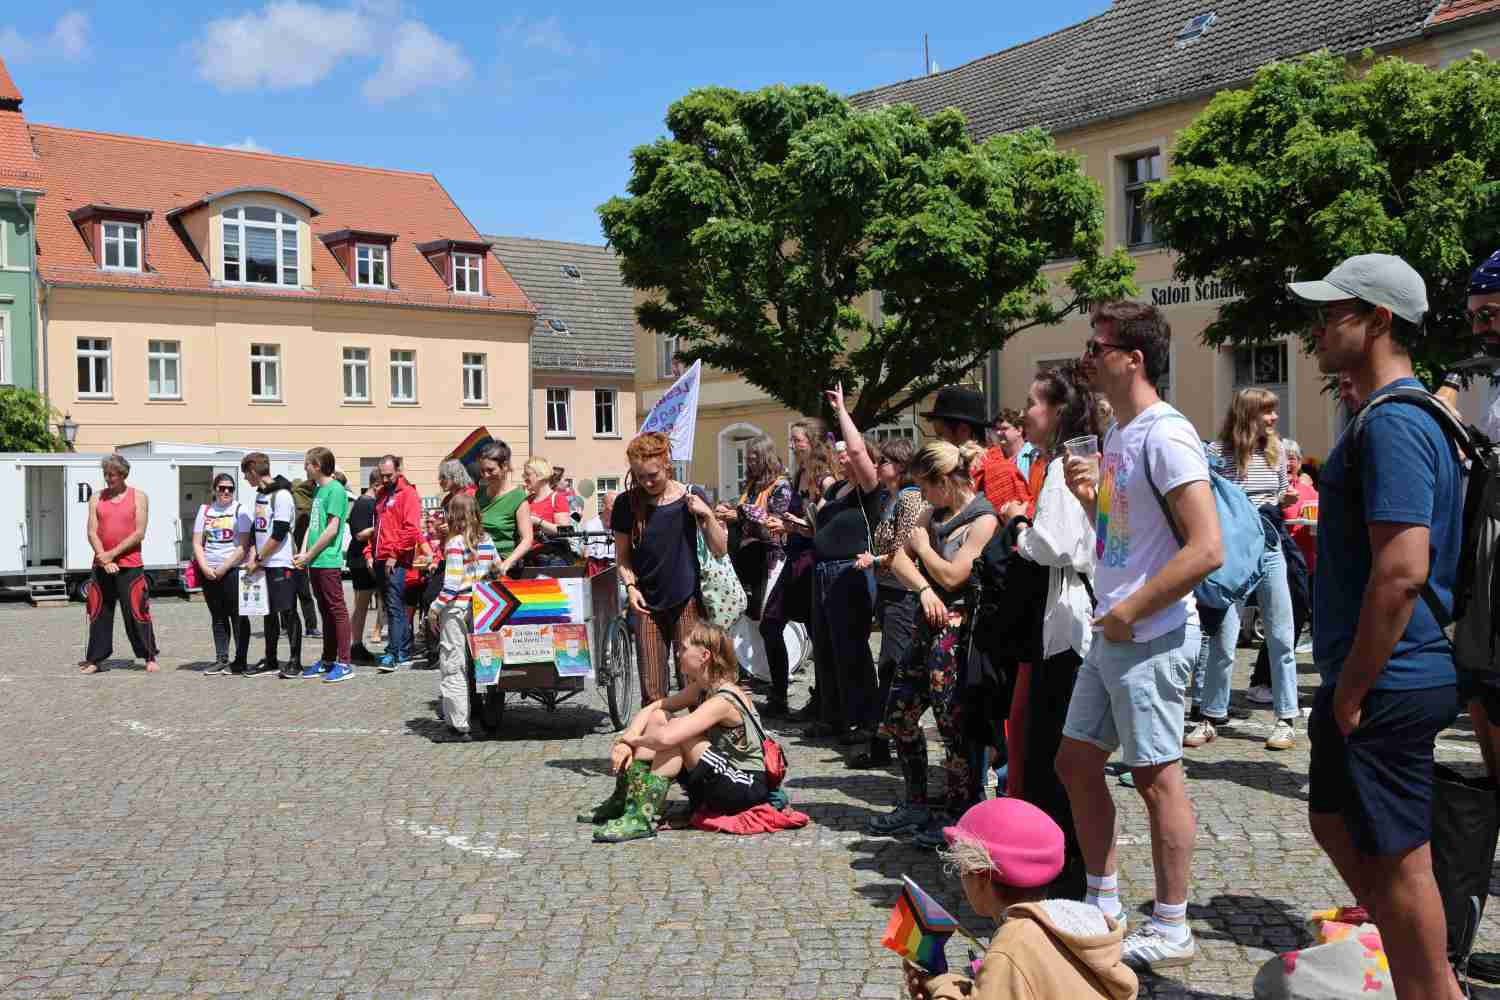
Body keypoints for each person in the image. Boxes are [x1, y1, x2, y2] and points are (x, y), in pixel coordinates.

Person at [1290, 254, 1465, 1000]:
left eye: (1335, 311)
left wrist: (1354, 687)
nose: (1321, 325)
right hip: (1373, 674)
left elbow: (1403, 571)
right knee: (1332, 817)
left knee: (1404, 863)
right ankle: (1415, 968)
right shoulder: (1396, 416)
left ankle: (1435, 991)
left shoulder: (1395, 422)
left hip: (1388, 676)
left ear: (1380, 320)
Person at [1057, 300, 1221, 970]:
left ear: (1135, 358)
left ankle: (1174, 924)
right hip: (1115, 625)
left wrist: (1133, 610)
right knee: (1074, 762)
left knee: (1157, 777)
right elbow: (1125, 538)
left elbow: (1206, 548)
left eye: (1099, 346)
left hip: (1148, 630)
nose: (1089, 356)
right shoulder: (1120, 434)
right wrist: (1090, 495)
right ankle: (1103, 902)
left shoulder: (1165, 434)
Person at [999, 361, 1100, 892]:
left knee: (1050, 758)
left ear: (1058, 410)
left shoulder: (1065, 467)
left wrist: (1019, 526)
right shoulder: (1066, 463)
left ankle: (1061, 878)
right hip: (1062, 620)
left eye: (1034, 403)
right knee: (1047, 754)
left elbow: (1056, 545)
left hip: (1064, 626)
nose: (1026, 412)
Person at [875, 438, 998, 848]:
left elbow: (954, 576)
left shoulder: (983, 519)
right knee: (901, 713)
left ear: (945, 480)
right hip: (926, 627)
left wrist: (925, 551)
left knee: (953, 725)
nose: (922, 496)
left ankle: (960, 814)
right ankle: (915, 802)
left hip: (960, 635)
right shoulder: (934, 512)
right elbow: (897, 559)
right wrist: (925, 589)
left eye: (927, 486)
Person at [905, 798, 1137, 1000]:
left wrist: (942, 988)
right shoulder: (1079, 922)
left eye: (961, 869)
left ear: (981, 876)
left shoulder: (1012, 947)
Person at [1185, 389, 1302, 751]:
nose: (1273, 419)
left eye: (1274, 412)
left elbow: (1281, 492)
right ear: (1248, 414)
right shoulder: (1216, 455)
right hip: (1233, 553)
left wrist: (1284, 500)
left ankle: (1285, 719)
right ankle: (1210, 716)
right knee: (1224, 638)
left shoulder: (1277, 451)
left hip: (1269, 547)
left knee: (1281, 634)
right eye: (1267, 412)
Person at [582, 622, 769, 842]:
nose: (678, 653)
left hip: (744, 786)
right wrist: (625, 742)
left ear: (704, 655)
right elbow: (654, 708)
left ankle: (640, 816)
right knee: (659, 717)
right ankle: (625, 801)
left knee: (677, 737)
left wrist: (632, 740)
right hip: (721, 777)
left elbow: (667, 738)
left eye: (683, 648)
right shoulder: (703, 687)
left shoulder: (723, 699)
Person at [613, 431, 728, 705]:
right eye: (640, 477)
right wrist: (630, 587)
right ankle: (658, 744)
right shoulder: (626, 504)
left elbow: (720, 548)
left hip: (686, 599)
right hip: (646, 603)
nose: (647, 482)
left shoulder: (690, 497)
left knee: (693, 681)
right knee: (652, 688)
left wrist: (707, 514)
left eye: (653, 474)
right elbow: (622, 557)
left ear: (667, 463)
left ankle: (698, 743)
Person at [808, 386, 885, 743]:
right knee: (823, 648)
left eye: (848, 454)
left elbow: (855, 447)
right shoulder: (834, 491)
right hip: (822, 573)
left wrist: (841, 411)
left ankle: (863, 719)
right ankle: (833, 715)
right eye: (838, 454)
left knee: (850, 649)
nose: (842, 457)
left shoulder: (868, 490)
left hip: (849, 573)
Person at [852, 435, 927, 769]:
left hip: (902, 592)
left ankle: (885, 742)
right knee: (891, 667)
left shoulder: (909, 500)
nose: (878, 465)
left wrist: (875, 560)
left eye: (883, 461)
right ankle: (884, 739)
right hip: (890, 591)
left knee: (893, 667)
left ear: (899, 466)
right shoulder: (891, 498)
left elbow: (906, 550)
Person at [716, 434, 793, 713]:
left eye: (753, 456)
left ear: (765, 457)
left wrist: (740, 514)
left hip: (771, 560)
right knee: (751, 622)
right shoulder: (751, 484)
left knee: (770, 625)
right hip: (748, 560)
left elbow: (775, 524)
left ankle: (779, 691)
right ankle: (757, 676)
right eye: (747, 456)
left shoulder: (780, 486)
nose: (748, 460)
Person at [1247, 438, 1318, 704]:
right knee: (1281, 625)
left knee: (1296, 624)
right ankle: (1261, 682)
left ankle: (1279, 683)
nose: (1289, 462)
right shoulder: (1272, 492)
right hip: (1281, 566)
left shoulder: (1309, 492)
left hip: (1307, 567)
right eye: (1284, 456)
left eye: (1294, 458)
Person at [425, 492, 497, 742]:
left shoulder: (455, 544)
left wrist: (434, 609)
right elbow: (497, 568)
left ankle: (459, 723)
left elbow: (452, 585)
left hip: (457, 609)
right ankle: (489, 716)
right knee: (484, 663)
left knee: (453, 664)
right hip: (483, 608)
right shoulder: (488, 540)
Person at [81, 453, 160, 674]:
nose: (108, 478)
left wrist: (112, 554)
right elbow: (91, 531)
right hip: (102, 565)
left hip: (130, 564)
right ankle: (96, 659)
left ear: (123, 475)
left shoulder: (139, 497)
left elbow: (139, 533)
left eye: (112, 475)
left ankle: (148, 655)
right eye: (105, 474)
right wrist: (103, 558)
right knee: (99, 612)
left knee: (137, 611)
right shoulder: (96, 498)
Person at [781, 418, 835, 719]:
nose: (792, 444)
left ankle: (826, 699)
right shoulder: (798, 473)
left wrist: (797, 525)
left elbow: (822, 525)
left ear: (812, 443)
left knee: (819, 631)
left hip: (813, 556)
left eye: (797, 439)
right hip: (796, 552)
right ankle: (821, 697)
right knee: (811, 629)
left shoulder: (824, 478)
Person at [239, 453, 302, 678]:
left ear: (254, 471)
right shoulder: (260, 495)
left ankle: (295, 661)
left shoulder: (282, 495)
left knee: (288, 612)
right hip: (264, 563)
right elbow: (259, 530)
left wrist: (258, 559)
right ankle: (271, 658)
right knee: (267, 613)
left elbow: (279, 532)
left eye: (246, 474)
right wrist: (254, 555)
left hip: (280, 562)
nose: (246, 479)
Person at [293, 447, 352, 682]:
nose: (305, 468)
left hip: (327, 559)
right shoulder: (318, 490)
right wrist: (303, 552)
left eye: (308, 464)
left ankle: (344, 662)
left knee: (337, 610)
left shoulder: (336, 490)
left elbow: (332, 529)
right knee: (325, 611)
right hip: (315, 560)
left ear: (317, 466)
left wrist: (310, 554)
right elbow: (312, 525)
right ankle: (327, 659)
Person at [923, 385, 1031, 512]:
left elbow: (1019, 528)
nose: (938, 442)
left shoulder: (999, 474)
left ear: (963, 430)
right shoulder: (957, 472)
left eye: (941, 434)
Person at [193, 472, 252, 675]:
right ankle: (221, 658)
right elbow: (197, 543)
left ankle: (240, 659)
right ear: (214, 490)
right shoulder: (205, 510)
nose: (226, 491)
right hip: (209, 571)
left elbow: (244, 545)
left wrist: (224, 567)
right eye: (221, 488)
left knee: (238, 616)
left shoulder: (240, 510)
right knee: (217, 616)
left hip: (232, 570)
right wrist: (206, 568)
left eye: (230, 488)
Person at [371, 454, 422, 672]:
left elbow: (411, 530)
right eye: (382, 476)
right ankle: (398, 650)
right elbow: (377, 529)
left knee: (394, 606)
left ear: (399, 470)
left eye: (389, 475)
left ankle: (395, 651)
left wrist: (395, 554)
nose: (384, 480)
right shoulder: (383, 494)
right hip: (381, 557)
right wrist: (370, 553)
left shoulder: (407, 493)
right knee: (390, 606)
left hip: (396, 560)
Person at [475, 441, 535, 576]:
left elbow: (527, 539)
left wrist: (507, 563)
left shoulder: (517, 497)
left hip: (501, 564)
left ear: (505, 467)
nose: (485, 475)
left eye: (490, 470)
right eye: (482, 470)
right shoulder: (480, 493)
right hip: (477, 561)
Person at [347, 468, 381, 663]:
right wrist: (381, 527)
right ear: (375, 485)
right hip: (360, 559)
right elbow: (359, 533)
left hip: (364, 558)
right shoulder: (364, 503)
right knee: (362, 604)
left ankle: (357, 644)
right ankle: (356, 645)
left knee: (364, 604)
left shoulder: (369, 502)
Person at [523, 456, 574, 566]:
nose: (524, 478)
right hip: (530, 557)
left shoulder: (557, 498)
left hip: (553, 559)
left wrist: (537, 521)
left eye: (527, 474)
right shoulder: (527, 500)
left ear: (540, 475)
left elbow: (565, 531)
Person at [289, 476, 322, 640]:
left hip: (290, 552)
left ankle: (286, 626)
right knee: (304, 593)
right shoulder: (309, 501)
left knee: (289, 595)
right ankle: (311, 627)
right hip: (303, 551)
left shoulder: (293, 500)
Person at [994, 407, 1039, 481]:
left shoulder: (1033, 455)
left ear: (1019, 430)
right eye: (997, 429)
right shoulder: (994, 457)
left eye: (1004, 429)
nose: (998, 433)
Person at [579, 491, 617, 575]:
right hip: (598, 569)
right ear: (603, 506)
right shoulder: (591, 525)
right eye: (612, 506)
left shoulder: (622, 524)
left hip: (618, 567)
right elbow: (585, 553)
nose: (615, 510)